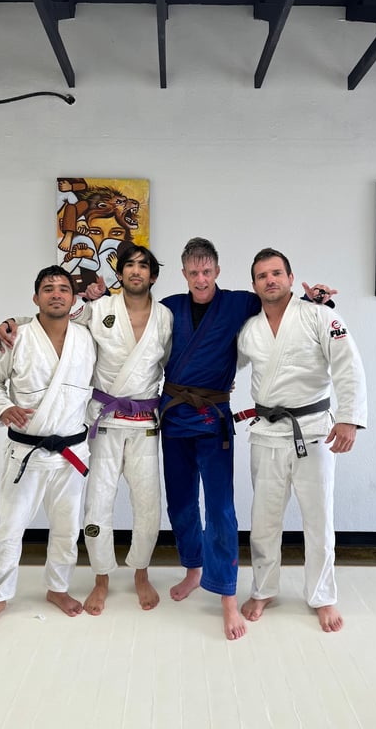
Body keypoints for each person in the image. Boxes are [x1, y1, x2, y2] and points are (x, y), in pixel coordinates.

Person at [158, 238, 336, 641]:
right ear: (183, 273)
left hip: (213, 418)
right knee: (180, 503)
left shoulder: (241, 302)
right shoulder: (168, 307)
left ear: (218, 271)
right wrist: (86, 303)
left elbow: (283, 306)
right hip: (174, 415)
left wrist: (318, 302)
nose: (201, 279)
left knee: (220, 509)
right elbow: (134, 331)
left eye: (207, 271)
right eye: (193, 272)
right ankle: (193, 569)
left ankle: (226, 594)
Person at [0, 245, 173, 615]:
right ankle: (101, 577)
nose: (135, 271)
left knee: (149, 504)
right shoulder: (98, 308)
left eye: (143, 266)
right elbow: (53, 319)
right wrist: (10, 322)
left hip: (145, 423)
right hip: (104, 422)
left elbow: (175, 363)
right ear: (119, 274)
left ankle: (141, 572)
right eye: (129, 265)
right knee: (97, 504)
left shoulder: (166, 317)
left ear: (153, 275)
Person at [236, 248, 367, 633]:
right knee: (263, 521)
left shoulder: (319, 315)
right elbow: (224, 364)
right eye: (262, 276)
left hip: (314, 431)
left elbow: (348, 366)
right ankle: (263, 589)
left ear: (291, 278)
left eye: (277, 273)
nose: (270, 280)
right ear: (254, 285)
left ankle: (323, 596)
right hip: (266, 432)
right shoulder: (249, 329)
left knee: (318, 519)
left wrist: (349, 419)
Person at [0, 266, 95, 634]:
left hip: (71, 452)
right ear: (35, 298)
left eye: (63, 288)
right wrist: (2, 407)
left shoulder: (87, 338)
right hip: (26, 451)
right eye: (48, 288)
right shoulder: (15, 336)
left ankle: (58, 587)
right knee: (10, 527)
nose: (56, 294)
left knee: (67, 528)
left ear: (73, 298)